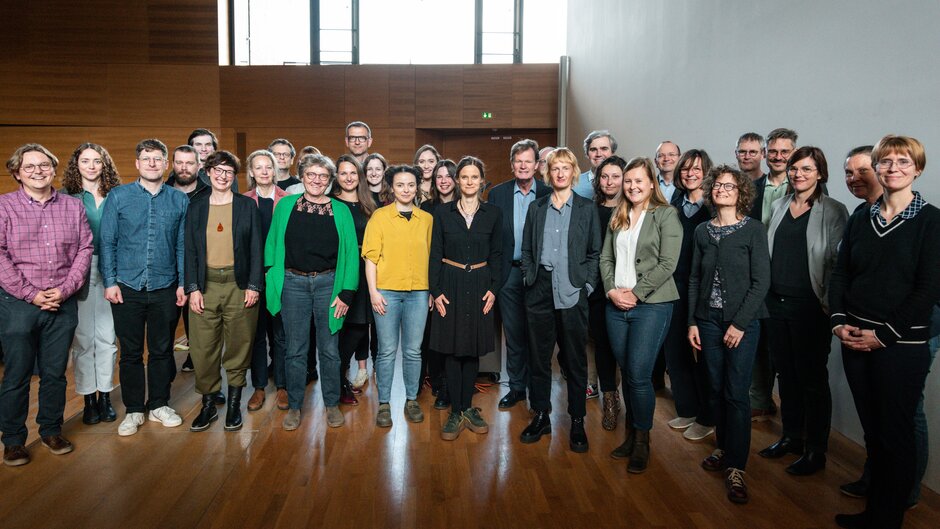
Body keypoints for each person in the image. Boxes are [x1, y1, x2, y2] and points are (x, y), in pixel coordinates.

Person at [830, 135, 940, 529]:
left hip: (900, 344)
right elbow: (841, 273)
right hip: (854, 338)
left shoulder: (931, 221)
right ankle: (874, 513)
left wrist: (884, 335)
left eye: (903, 162)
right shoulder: (862, 217)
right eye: (886, 162)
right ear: (876, 168)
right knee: (874, 434)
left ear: (918, 169)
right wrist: (838, 321)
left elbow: (928, 289)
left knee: (896, 435)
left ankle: (888, 519)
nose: (894, 168)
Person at [0, 144, 93, 466]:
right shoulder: (4, 206)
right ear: (17, 173)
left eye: (44, 165)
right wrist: (31, 294)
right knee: (17, 375)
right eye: (29, 167)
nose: (37, 171)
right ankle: (13, 440)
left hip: (62, 302)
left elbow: (85, 249)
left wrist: (65, 290)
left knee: (54, 373)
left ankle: (51, 430)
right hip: (18, 304)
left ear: (53, 169)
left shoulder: (72, 206)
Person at [758, 147, 848, 475]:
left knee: (811, 379)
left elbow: (838, 264)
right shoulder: (780, 205)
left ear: (820, 173)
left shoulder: (833, 210)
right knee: (786, 375)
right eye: (794, 168)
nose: (798, 174)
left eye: (807, 169)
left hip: (811, 308)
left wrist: (828, 305)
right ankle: (791, 437)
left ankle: (816, 449)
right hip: (776, 304)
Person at [687, 164, 770, 504]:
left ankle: (737, 466)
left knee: (736, 394)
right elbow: (694, 278)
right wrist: (692, 321)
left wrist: (739, 324)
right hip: (707, 321)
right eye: (718, 185)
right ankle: (723, 447)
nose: (722, 190)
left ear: (741, 193)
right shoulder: (702, 231)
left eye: (729, 186)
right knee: (715, 389)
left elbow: (761, 282)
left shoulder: (753, 230)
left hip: (742, 324)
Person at [100, 138, 189, 437]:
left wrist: (182, 283)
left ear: (166, 164)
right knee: (131, 353)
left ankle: (159, 404)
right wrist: (110, 281)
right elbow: (108, 242)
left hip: (165, 286)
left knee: (162, 350)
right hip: (127, 286)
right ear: (137, 163)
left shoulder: (179, 200)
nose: (152, 163)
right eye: (146, 158)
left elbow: (182, 246)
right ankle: (134, 409)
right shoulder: (119, 196)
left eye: (157, 159)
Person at [265, 154, 359, 431]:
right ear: (302, 176)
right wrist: (271, 275)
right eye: (311, 175)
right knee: (295, 350)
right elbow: (272, 243)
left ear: (330, 181)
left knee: (329, 350)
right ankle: (295, 406)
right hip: (292, 284)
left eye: (323, 176)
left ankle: (331, 403)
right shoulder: (286, 205)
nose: (317, 180)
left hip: (329, 285)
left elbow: (351, 254)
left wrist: (346, 293)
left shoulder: (341, 210)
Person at [600, 156, 681, 473]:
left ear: (651, 183)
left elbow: (668, 263)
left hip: (652, 305)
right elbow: (606, 258)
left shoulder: (666, 215)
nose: (632, 186)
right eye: (628, 181)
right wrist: (611, 290)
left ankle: (643, 442)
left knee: (638, 374)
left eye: (638, 181)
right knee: (627, 372)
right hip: (615, 306)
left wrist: (635, 293)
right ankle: (631, 436)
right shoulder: (619, 214)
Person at [519, 147, 601, 453]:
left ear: (574, 172)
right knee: (539, 358)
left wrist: (587, 285)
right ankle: (541, 415)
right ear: (548, 173)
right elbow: (527, 250)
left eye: (566, 168)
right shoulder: (537, 207)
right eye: (555, 168)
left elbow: (594, 252)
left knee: (575, 360)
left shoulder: (586, 208)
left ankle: (577, 420)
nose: (561, 173)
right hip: (539, 289)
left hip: (572, 290)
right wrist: (529, 278)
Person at [184, 151, 262, 432]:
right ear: (207, 172)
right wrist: (193, 288)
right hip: (205, 286)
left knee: (239, 346)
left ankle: (233, 405)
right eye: (217, 170)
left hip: (238, 286)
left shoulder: (246, 206)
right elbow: (190, 250)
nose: (222, 175)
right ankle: (208, 405)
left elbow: (256, 248)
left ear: (234, 176)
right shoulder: (195, 206)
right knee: (203, 348)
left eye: (228, 171)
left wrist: (254, 285)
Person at [428, 156, 502, 440]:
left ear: (481, 181)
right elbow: (435, 253)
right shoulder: (442, 213)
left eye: (474, 177)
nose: (469, 182)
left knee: (471, 348)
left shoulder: (493, 213)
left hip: (481, 285)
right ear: (457, 181)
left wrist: (494, 289)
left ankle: (467, 407)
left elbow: (498, 254)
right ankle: (456, 411)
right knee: (451, 347)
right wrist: (436, 291)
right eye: (464, 177)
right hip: (450, 284)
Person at [362, 165, 433, 428]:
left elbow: (432, 257)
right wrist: (373, 292)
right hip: (387, 293)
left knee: (413, 351)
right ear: (392, 188)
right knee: (387, 350)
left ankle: (411, 399)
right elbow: (370, 258)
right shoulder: (379, 217)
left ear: (417, 187)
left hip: (418, 293)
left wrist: (431, 291)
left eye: (411, 185)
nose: (406, 189)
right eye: (400, 185)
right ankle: (384, 403)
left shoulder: (426, 219)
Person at [487, 139, 551, 409]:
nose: (523, 166)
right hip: (509, 273)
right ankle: (516, 388)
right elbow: (492, 237)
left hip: (539, 274)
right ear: (512, 164)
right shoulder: (497, 194)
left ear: (537, 165)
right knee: (513, 334)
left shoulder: (549, 193)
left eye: (528, 161)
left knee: (538, 335)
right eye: (518, 161)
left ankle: (539, 392)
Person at [62, 143, 122, 425]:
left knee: (107, 337)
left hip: (112, 268)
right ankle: (88, 398)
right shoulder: (66, 197)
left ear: (104, 164)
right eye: (85, 160)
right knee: (84, 338)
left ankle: (105, 396)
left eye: (97, 161)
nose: (91, 166)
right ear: (77, 164)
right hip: (79, 269)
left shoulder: (117, 195)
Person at [664, 149, 716, 442]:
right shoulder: (673, 206)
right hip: (674, 287)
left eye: (697, 169)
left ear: (706, 172)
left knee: (705, 355)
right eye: (686, 169)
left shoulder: (714, 206)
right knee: (675, 351)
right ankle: (687, 409)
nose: (691, 173)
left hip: (704, 289)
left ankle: (708, 417)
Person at [748, 128, 798, 422]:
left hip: (787, 277)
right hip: (756, 275)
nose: (779, 157)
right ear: (765, 154)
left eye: (785, 152)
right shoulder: (752, 187)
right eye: (774, 151)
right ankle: (760, 398)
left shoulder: (805, 186)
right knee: (758, 341)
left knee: (785, 349)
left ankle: (795, 420)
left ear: (794, 154)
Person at [244, 149, 289, 412]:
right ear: (251, 171)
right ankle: (259, 387)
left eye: (268, 167)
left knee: (281, 334)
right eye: (258, 167)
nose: (263, 171)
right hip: (251, 277)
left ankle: (282, 385)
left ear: (275, 171)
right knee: (256, 334)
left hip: (280, 276)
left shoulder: (288, 200)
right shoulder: (243, 201)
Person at [331, 155, 377, 406]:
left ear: (360, 176)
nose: (348, 178)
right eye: (343, 173)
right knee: (341, 329)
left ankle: (340, 380)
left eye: (353, 173)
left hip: (365, 268)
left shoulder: (368, 204)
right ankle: (338, 382)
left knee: (359, 326)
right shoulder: (330, 202)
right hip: (340, 269)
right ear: (336, 176)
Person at [589, 155, 627, 431]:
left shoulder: (634, 211)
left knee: (624, 348)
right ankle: (610, 399)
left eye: (615, 176)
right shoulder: (589, 211)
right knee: (602, 345)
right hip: (597, 289)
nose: (610, 181)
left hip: (627, 289)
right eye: (604, 176)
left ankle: (631, 398)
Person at [168, 145, 211, 377]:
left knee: (198, 323)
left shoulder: (209, 193)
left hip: (200, 267)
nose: (184, 168)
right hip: (168, 268)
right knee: (166, 326)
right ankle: (164, 372)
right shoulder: (162, 191)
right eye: (179, 163)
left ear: (199, 165)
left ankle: (199, 365)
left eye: (189, 163)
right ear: (172, 164)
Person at [420, 159, 457, 409]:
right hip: (432, 275)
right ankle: (438, 381)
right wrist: (431, 287)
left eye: (448, 176)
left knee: (455, 331)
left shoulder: (464, 205)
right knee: (434, 333)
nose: (443, 181)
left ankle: (455, 381)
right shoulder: (427, 207)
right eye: (439, 176)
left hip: (457, 276)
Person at [573, 130, 617, 199]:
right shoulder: (574, 182)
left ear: (612, 153)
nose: (598, 154)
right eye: (593, 150)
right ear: (587, 154)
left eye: (604, 149)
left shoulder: (623, 181)